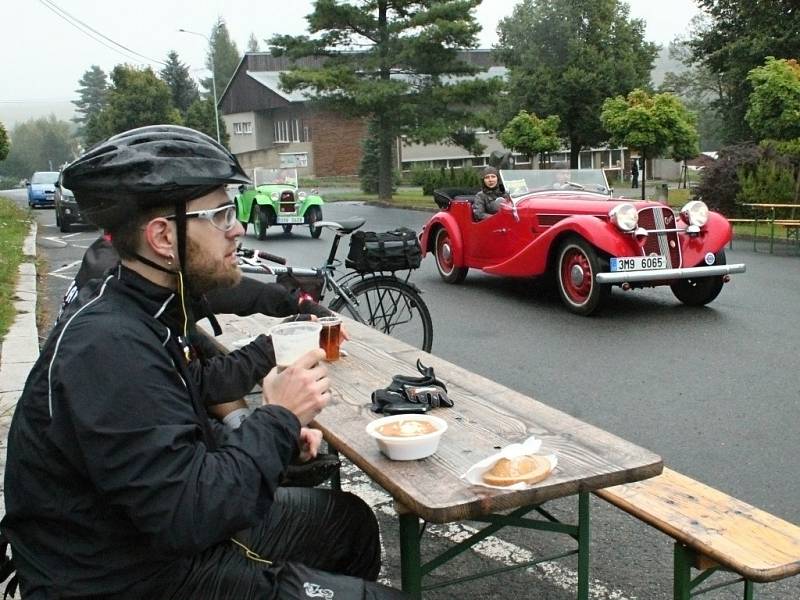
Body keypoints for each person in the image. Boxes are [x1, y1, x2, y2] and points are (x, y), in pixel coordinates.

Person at [1, 125, 405, 599]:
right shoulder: (108, 347)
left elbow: (172, 433)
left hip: (145, 538)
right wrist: (275, 419)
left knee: (346, 522)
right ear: (163, 237)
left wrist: (278, 439)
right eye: (220, 214)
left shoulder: (144, 311)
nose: (237, 228)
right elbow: (190, 517)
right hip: (125, 577)